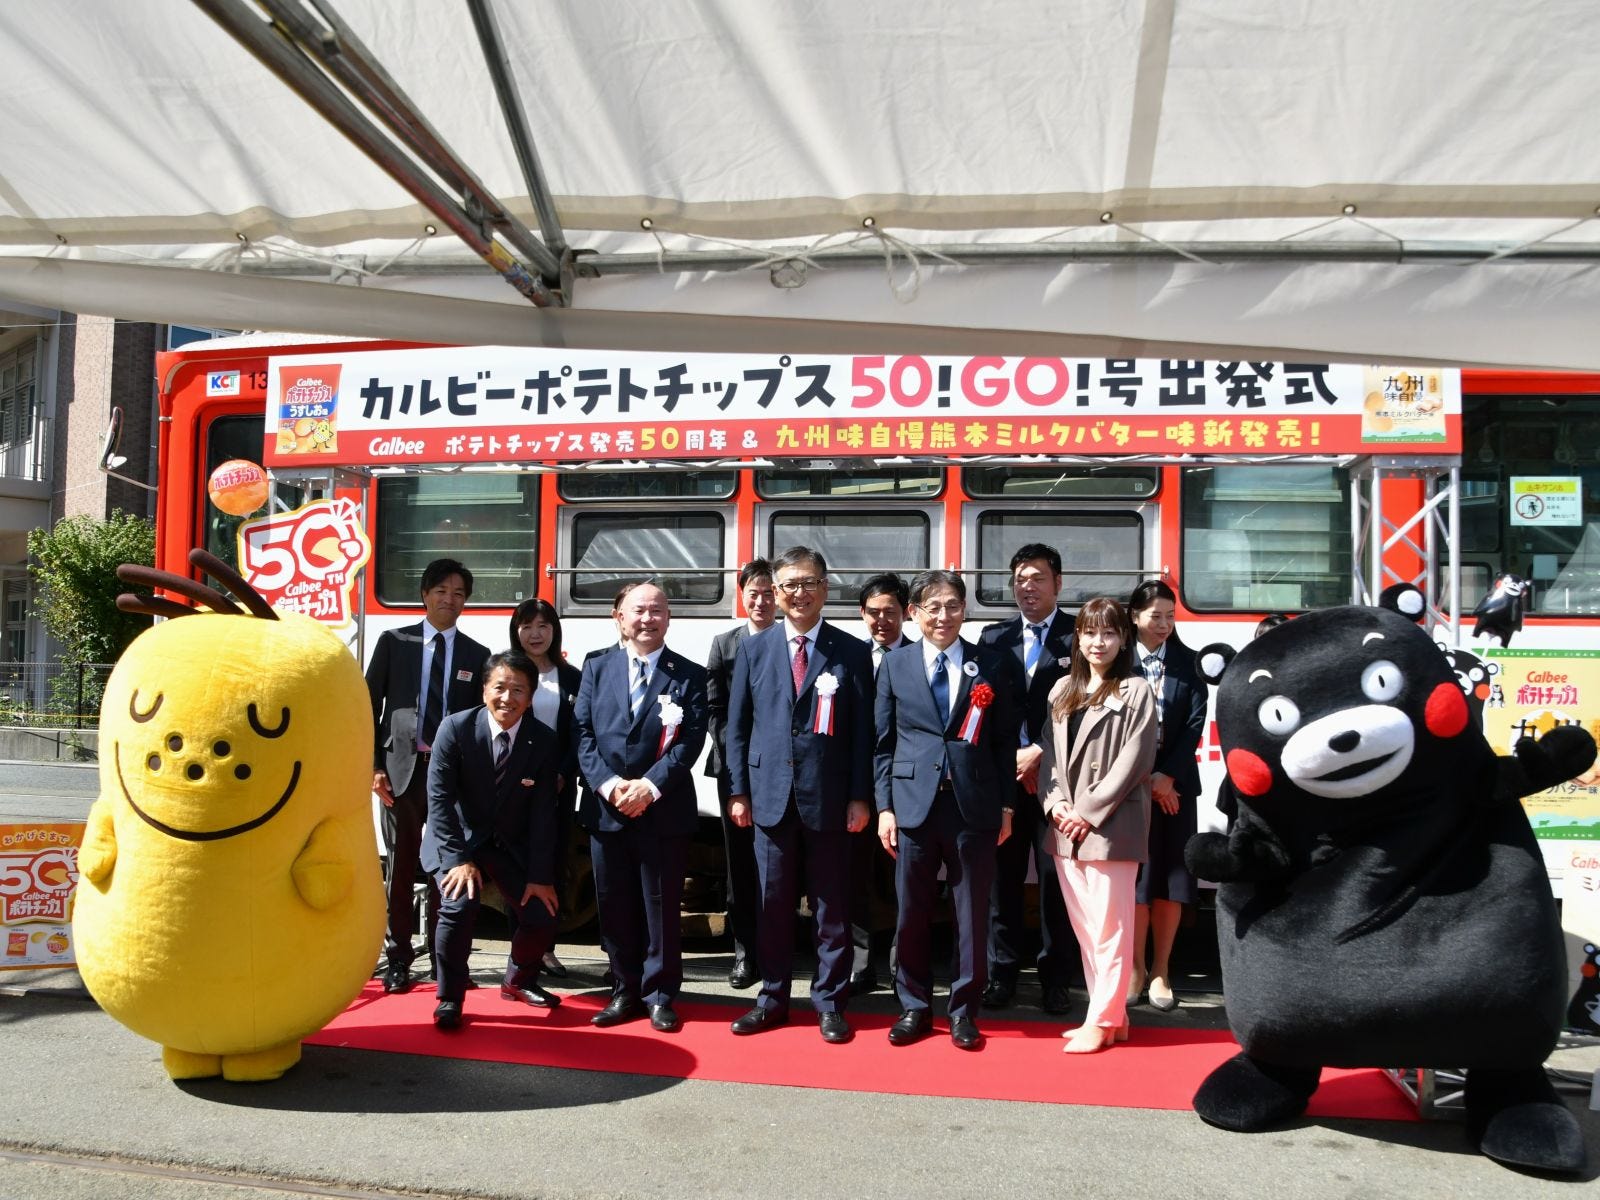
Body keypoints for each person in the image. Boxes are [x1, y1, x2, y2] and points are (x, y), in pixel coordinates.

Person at [725, 546, 874, 1044]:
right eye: (789, 584)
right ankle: (771, 998)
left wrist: (860, 796)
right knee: (773, 905)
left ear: (826, 589)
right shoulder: (754, 647)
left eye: (809, 583)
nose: (798, 593)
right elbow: (738, 727)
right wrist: (739, 790)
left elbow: (861, 734)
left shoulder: (851, 651)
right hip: (768, 797)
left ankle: (830, 1002)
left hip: (830, 799)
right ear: (775, 591)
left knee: (832, 908)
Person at [874, 569, 1021, 1050]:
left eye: (952, 605)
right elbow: (883, 744)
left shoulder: (993, 665)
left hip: (972, 807)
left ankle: (964, 1011)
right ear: (914, 613)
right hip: (913, 808)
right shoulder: (894, 665)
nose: (943, 615)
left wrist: (1005, 805)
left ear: (965, 609)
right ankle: (914, 1006)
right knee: (912, 913)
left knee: (971, 913)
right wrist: (885, 808)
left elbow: (1003, 744)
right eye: (932, 607)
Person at [575, 581, 708, 1032]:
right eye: (639, 610)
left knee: (661, 906)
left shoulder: (689, 674)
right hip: (607, 809)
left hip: (663, 809)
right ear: (619, 616)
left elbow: (690, 742)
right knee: (614, 904)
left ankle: (660, 995)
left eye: (657, 610)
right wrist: (611, 787)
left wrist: (649, 788)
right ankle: (623, 989)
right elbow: (582, 735)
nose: (648, 618)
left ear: (668, 617)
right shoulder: (595, 666)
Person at [1037, 596, 1158, 1053]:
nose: (1097, 642)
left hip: (1111, 829)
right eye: (1089, 632)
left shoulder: (1135, 691)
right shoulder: (1061, 690)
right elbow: (1049, 757)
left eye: (1108, 633)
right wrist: (1056, 806)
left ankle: (1100, 1017)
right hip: (1065, 829)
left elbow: (1136, 761)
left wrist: (1085, 811)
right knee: (1086, 927)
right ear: (1078, 637)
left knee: (1111, 926)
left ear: (1124, 638)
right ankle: (1112, 1018)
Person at [365, 558, 491, 995]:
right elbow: (368, 706)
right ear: (425, 594)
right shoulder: (394, 641)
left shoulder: (477, 655)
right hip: (399, 772)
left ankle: (445, 959)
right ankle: (397, 957)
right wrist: (373, 767)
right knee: (400, 869)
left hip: (450, 777)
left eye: (458, 593)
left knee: (447, 869)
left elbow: (479, 722)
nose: (449, 600)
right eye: (441, 591)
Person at [422, 652, 564, 1029]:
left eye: (519, 690)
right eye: (500, 687)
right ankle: (450, 996)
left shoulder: (544, 741)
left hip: (506, 845)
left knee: (542, 911)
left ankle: (518, 982)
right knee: (458, 907)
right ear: (484, 689)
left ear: (531, 697)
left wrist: (539, 875)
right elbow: (438, 801)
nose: (508, 698)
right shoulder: (455, 728)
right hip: (456, 840)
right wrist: (456, 860)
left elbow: (543, 815)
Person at [976, 543, 1078, 1013]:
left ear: (1058, 583)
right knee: (1003, 881)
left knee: (1058, 883)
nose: (1027, 586)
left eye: (1037, 577)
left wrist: (1039, 752)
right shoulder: (993, 639)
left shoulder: (1080, 637)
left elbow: (1088, 710)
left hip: (1060, 779)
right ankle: (1002, 974)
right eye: (1020, 578)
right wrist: (1013, 757)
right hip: (1005, 779)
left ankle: (1057, 978)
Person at [1124, 580, 1208, 1012]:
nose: (1163, 624)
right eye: (1155, 616)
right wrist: (1143, 779)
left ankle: (1162, 971)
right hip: (1131, 788)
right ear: (1135, 617)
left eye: (1170, 616)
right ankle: (1135, 970)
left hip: (1175, 790)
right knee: (1138, 880)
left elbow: (1194, 723)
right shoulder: (1119, 662)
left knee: (1172, 880)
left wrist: (1168, 777)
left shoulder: (1189, 663)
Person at [704, 559, 777, 989]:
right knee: (741, 867)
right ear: (742, 594)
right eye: (754, 592)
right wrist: (740, 760)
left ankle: (778, 951)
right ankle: (745, 953)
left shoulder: (791, 642)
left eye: (769, 592)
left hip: (783, 772)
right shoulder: (724, 644)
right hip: (736, 771)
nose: (762, 600)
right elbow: (716, 711)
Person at [509, 597, 584, 978]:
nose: (534, 634)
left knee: (552, 865)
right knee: (516, 867)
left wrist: (563, 771)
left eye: (543, 626)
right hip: (514, 786)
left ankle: (546, 947)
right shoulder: (506, 671)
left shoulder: (571, 676)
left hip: (557, 786)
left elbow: (581, 734)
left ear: (554, 631)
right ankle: (518, 947)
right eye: (526, 626)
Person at [849, 572, 915, 993]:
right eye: (873, 613)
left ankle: (899, 965)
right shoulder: (849, 655)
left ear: (906, 613)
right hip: (854, 785)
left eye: (890, 612)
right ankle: (859, 966)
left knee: (899, 878)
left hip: (902, 786)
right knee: (854, 879)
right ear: (862, 614)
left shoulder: (917, 655)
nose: (881, 621)